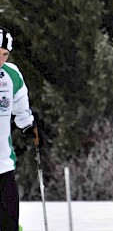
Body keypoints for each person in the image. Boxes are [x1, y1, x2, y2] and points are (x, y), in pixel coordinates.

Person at [0, 26, 42, 231]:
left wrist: (29, 127)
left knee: (9, 223)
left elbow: (21, 109)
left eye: (5, 54)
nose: (1, 59)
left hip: (4, 164)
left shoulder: (11, 75)